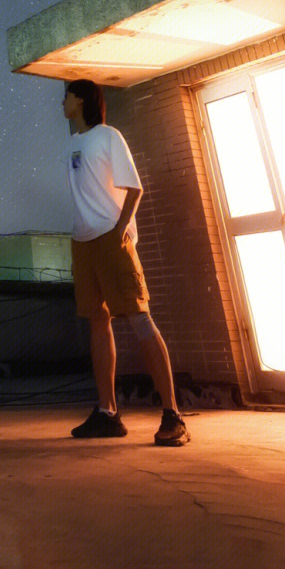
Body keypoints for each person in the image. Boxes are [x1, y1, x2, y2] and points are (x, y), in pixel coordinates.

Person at [62, 78, 189, 446]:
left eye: (67, 95)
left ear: (83, 100)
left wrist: (121, 229)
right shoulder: (73, 143)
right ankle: (107, 413)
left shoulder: (108, 135)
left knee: (138, 318)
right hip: (82, 241)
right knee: (98, 323)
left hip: (111, 238)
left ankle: (173, 414)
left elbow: (134, 187)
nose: (63, 102)